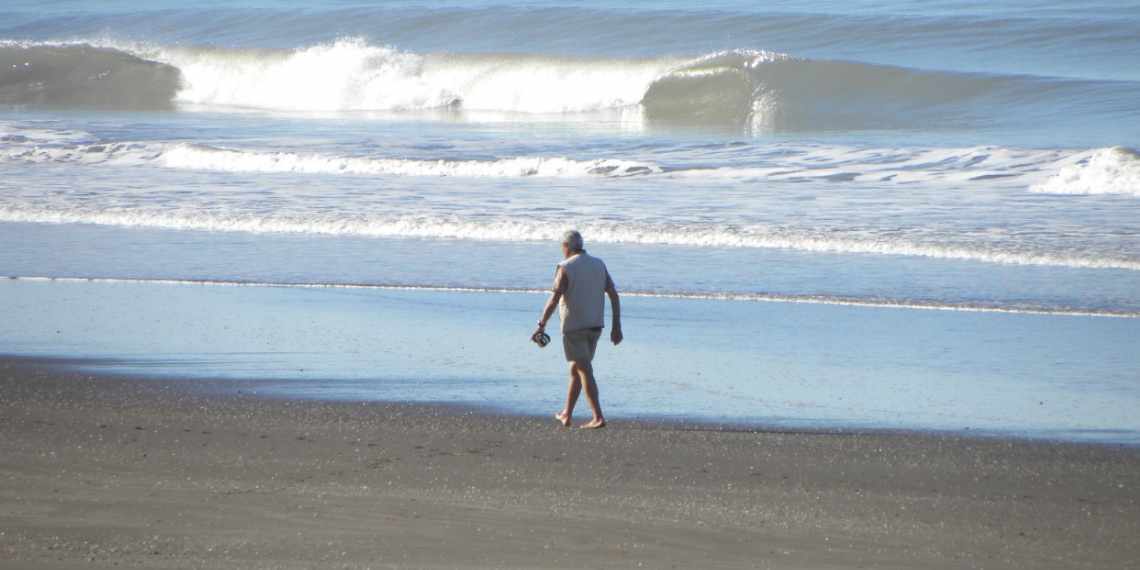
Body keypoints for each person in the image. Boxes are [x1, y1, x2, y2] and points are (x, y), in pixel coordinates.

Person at [533, 230, 622, 429]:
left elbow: (554, 299)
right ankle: (567, 413)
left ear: (567, 247)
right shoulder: (599, 264)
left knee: (584, 369)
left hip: (574, 327)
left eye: (562, 247)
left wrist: (541, 324)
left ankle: (597, 417)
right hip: (595, 326)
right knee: (577, 369)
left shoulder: (565, 268)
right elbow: (614, 295)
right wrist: (617, 326)